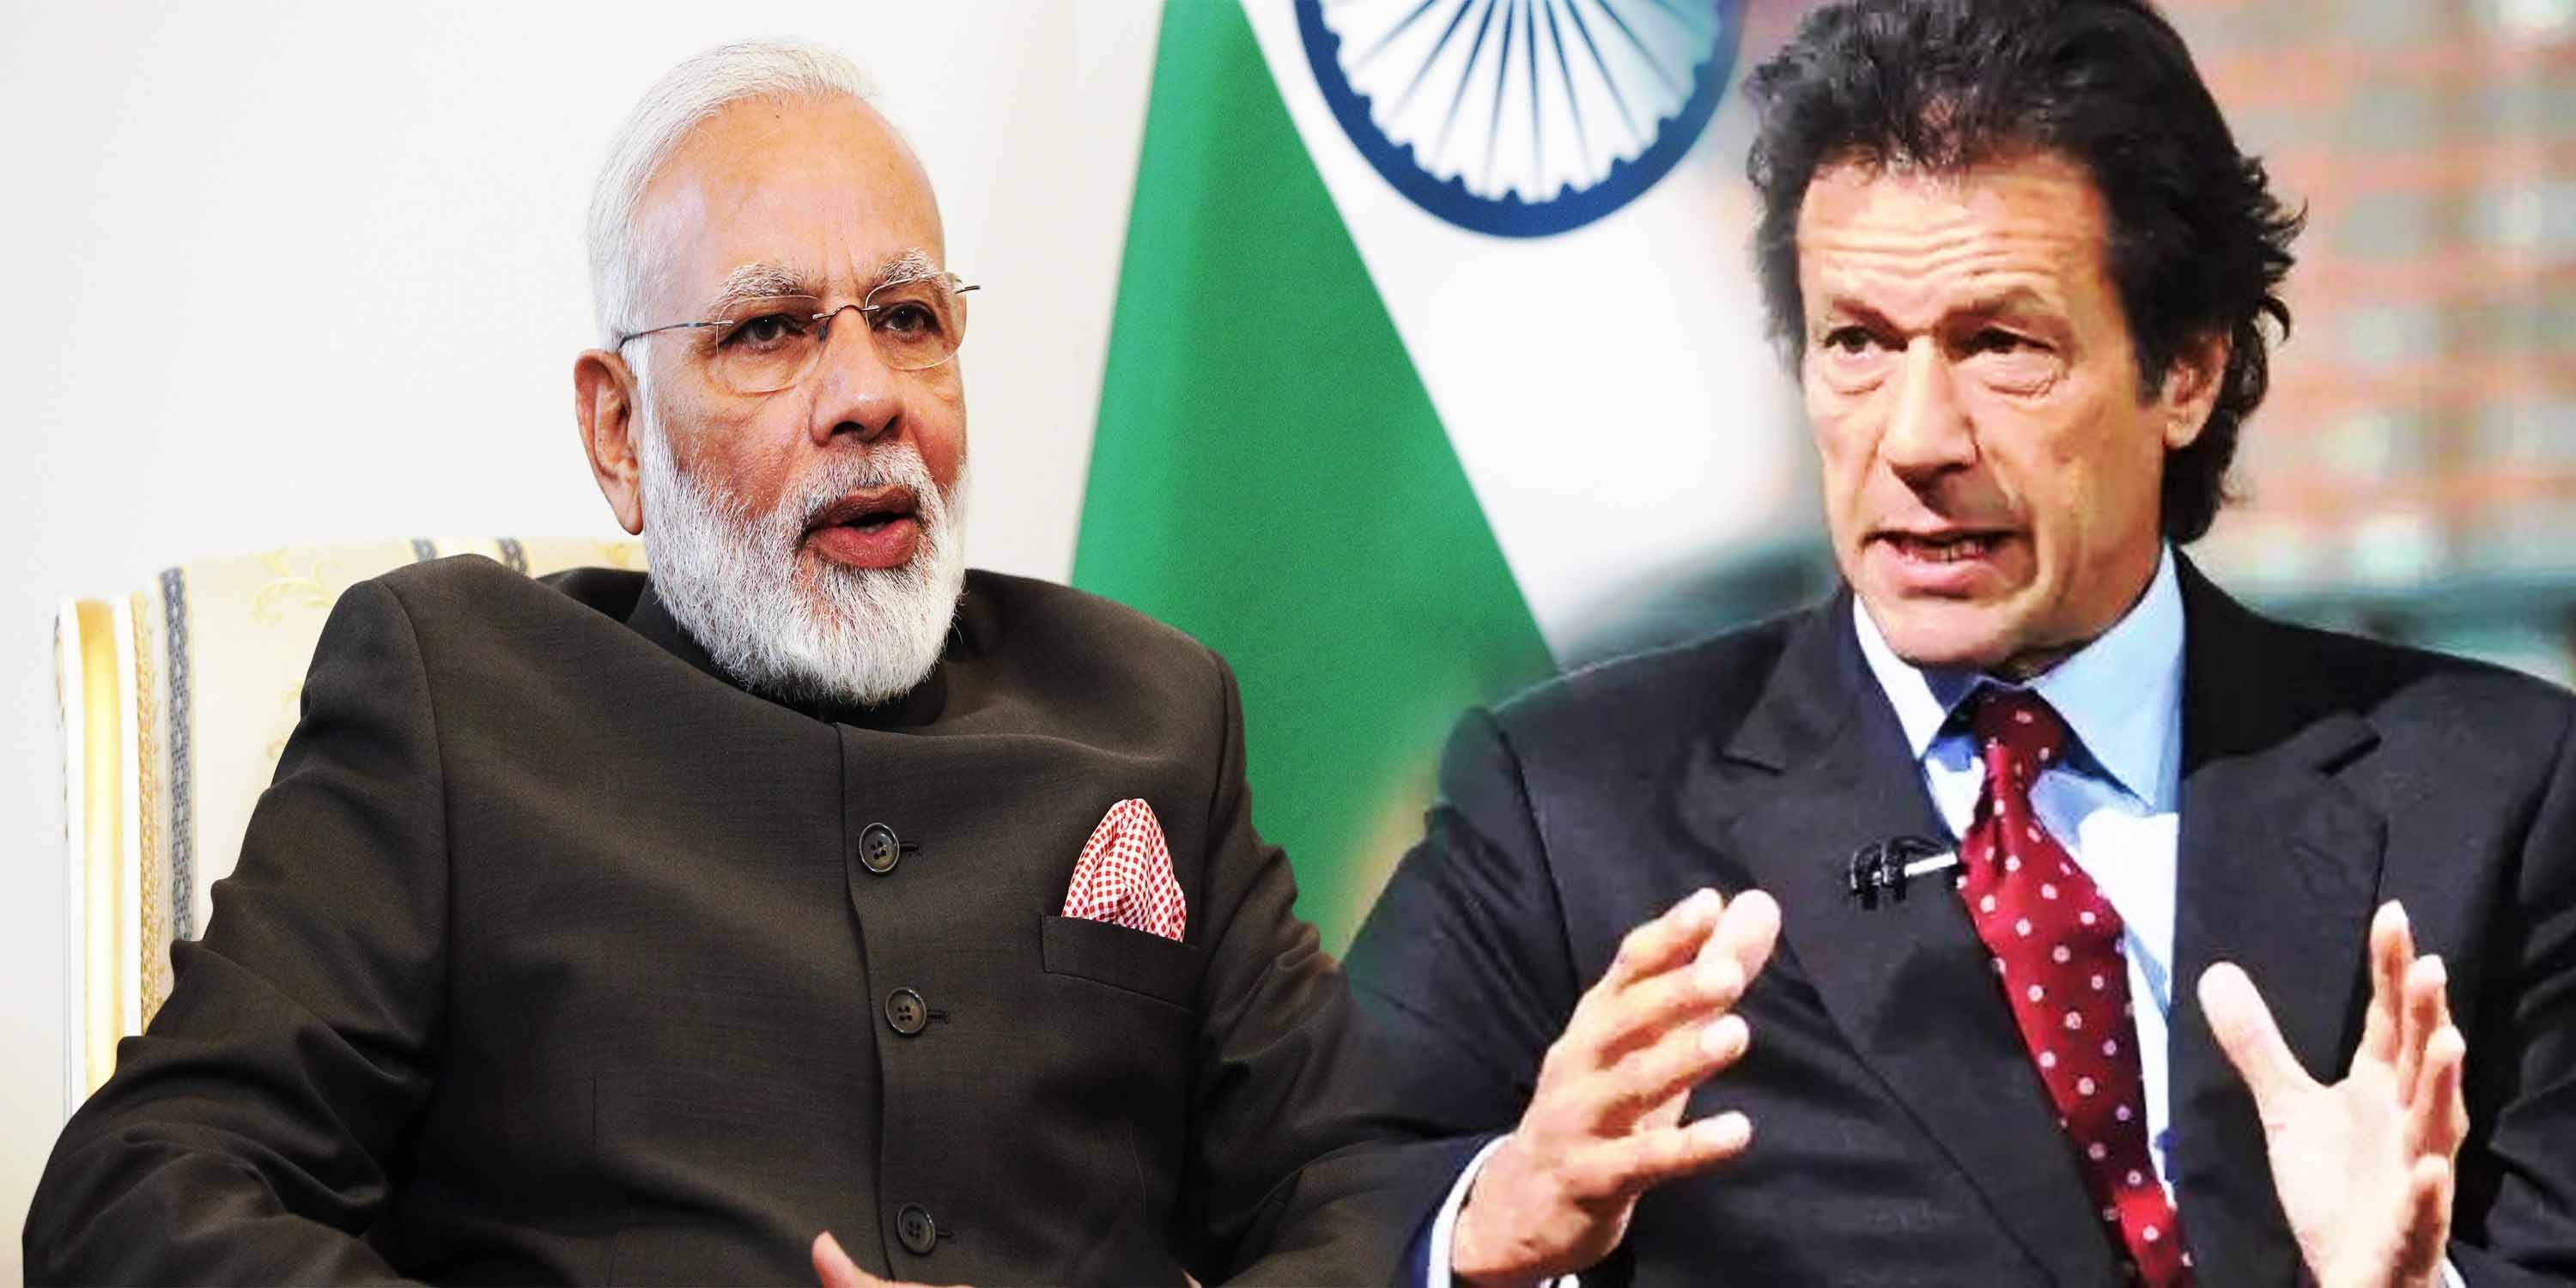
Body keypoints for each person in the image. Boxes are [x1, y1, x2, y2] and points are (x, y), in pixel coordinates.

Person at [25, 41, 1408, 1286]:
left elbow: (1363, 1184)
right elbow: (140, 1193)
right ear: (619, 432)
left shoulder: (1150, 711)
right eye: (770, 331)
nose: (867, 395)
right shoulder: (460, 699)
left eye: (908, 317)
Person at [1348, 2, 2576, 1284]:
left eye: (2001, 346)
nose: (1918, 438)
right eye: (1858, 345)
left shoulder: (2499, 797)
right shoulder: (1573, 811)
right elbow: (1307, 1208)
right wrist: (1492, 1223)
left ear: (2186, 372)